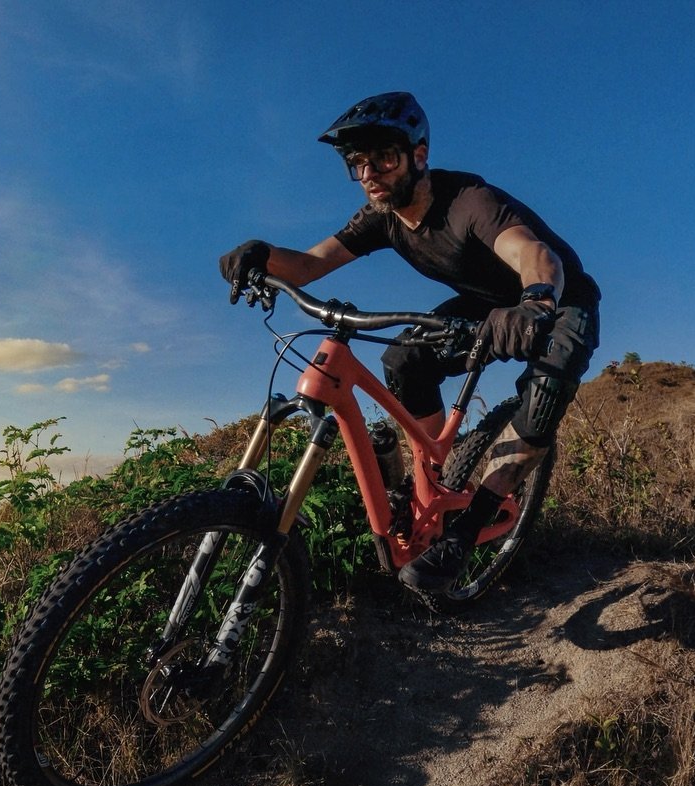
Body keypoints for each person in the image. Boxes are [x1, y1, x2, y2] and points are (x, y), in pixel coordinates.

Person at [219, 91, 600, 592]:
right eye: (358, 164)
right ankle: (435, 478)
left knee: (542, 398)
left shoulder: (469, 202)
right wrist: (261, 254)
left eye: (384, 158)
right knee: (404, 360)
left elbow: (533, 252)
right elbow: (311, 265)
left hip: (559, 300)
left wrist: (536, 302)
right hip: (485, 304)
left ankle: (465, 534)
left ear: (418, 156)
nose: (370, 174)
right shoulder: (382, 217)